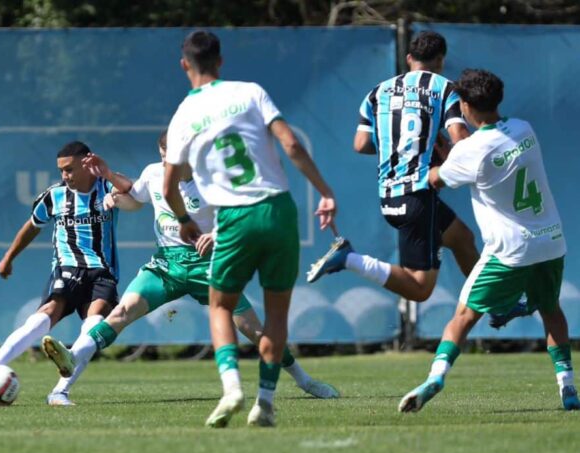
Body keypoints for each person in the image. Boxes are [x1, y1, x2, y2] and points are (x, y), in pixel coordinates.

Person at [41, 132, 339, 406]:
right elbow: (135, 195)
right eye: (162, 156)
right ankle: (63, 382)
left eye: (171, 158)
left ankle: (304, 380)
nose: (165, 164)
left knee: (254, 330)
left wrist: (217, 235)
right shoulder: (155, 173)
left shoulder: (216, 181)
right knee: (119, 314)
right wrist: (110, 184)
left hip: (208, 266)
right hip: (167, 265)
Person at [162, 30, 338, 427]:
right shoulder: (250, 91)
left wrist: (185, 220)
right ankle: (266, 401)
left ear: (184, 65)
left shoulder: (183, 116)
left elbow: (168, 187)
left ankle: (231, 388)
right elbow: (291, 145)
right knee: (277, 314)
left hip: (234, 218)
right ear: (221, 62)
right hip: (278, 211)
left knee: (221, 304)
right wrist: (325, 192)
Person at [306, 32, 531, 328]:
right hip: (416, 195)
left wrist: (396, 146)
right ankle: (349, 259)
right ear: (440, 60)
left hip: (392, 194)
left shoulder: (377, 92)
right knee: (420, 288)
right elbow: (460, 138)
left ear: (410, 59)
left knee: (463, 240)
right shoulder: (444, 88)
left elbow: (360, 144)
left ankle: (499, 305)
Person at [398, 69, 578, 412]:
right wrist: (456, 153)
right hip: (551, 240)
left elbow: (436, 179)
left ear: (465, 106)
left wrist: (438, 160)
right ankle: (567, 387)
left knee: (464, 315)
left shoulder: (471, 152)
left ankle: (435, 377)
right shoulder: (525, 129)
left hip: (511, 250)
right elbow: (487, 156)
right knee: (551, 310)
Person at [0, 141, 132, 401]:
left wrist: (107, 172)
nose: (65, 176)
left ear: (87, 163)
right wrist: (9, 258)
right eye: (62, 171)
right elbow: (32, 226)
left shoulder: (107, 188)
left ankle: (59, 392)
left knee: (94, 325)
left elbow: (130, 190)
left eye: (70, 169)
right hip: (68, 267)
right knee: (44, 317)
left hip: (103, 271)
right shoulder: (54, 196)